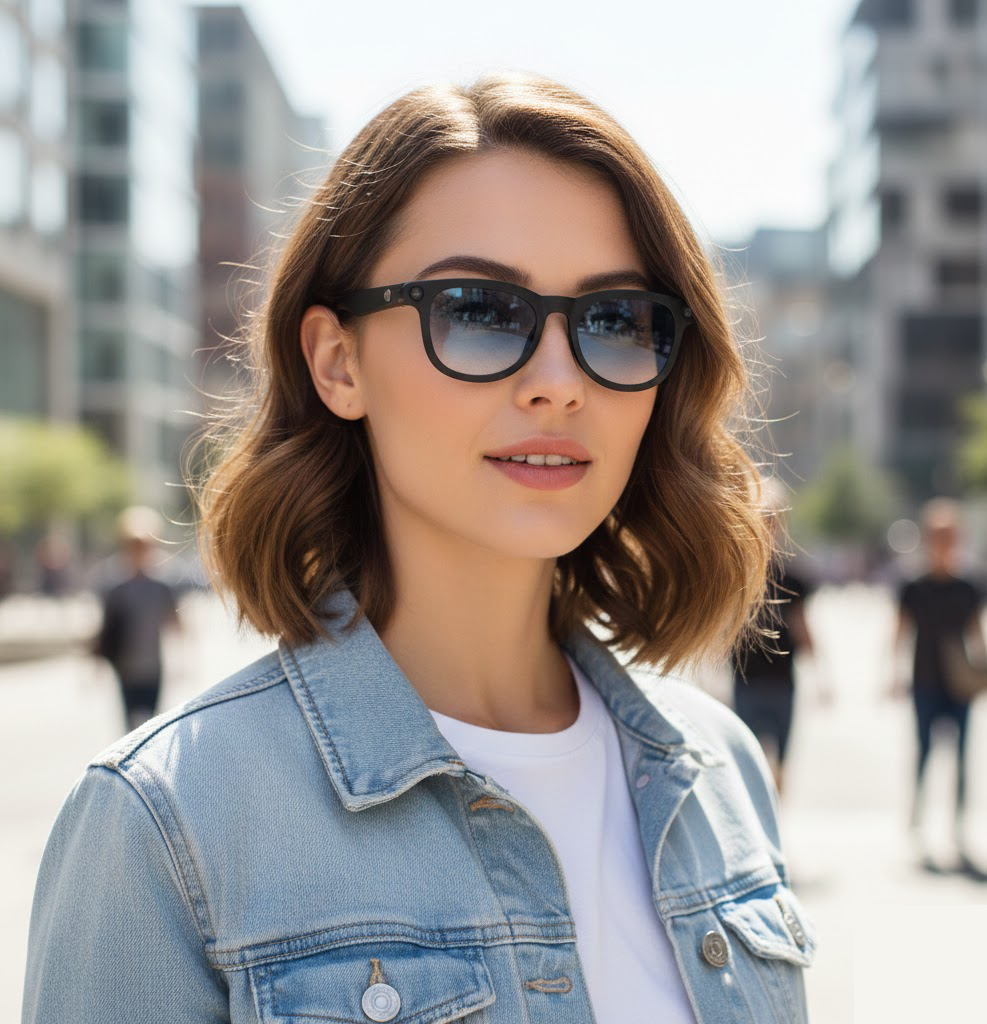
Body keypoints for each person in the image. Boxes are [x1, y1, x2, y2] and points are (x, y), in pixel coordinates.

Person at [24, 73, 816, 1023]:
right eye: (479, 311)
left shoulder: (720, 771)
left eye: (615, 320)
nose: (560, 383)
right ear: (338, 362)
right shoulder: (166, 823)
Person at [894, 497, 987, 879]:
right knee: (923, 754)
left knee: (962, 758)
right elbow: (900, 630)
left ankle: (958, 825)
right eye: (938, 536)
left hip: (960, 685)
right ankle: (918, 822)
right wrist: (893, 672)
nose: (944, 543)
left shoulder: (970, 585)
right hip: (924, 681)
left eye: (950, 536)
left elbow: (978, 631)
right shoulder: (913, 585)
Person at [731, 483, 818, 797]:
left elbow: (802, 627)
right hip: (746, 680)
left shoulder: (792, 578)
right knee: (747, 759)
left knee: (781, 760)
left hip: (782, 680)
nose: (766, 525)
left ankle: (775, 815)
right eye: (761, 517)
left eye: (771, 519)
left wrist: (821, 675)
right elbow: (723, 629)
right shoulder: (735, 573)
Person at [93, 507, 180, 730]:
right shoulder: (116, 585)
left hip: (152, 665)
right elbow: (105, 625)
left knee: (152, 723)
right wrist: (97, 660)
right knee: (130, 725)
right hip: (125, 665)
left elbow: (174, 620)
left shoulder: (161, 584)